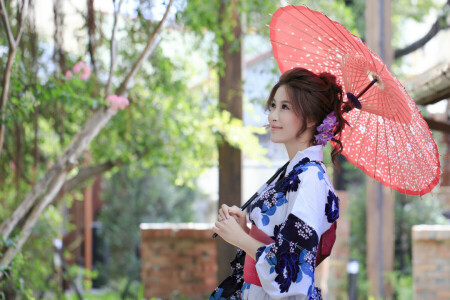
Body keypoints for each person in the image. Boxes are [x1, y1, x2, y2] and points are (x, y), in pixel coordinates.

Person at [211, 68, 348, 300]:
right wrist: (245, 226)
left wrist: (240, 238)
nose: (273, 115)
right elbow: (277, 236)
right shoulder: (294, 171)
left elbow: (291, 269)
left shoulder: (311, 178)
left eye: (285, 107)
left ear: (313, 117)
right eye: (273, 105)